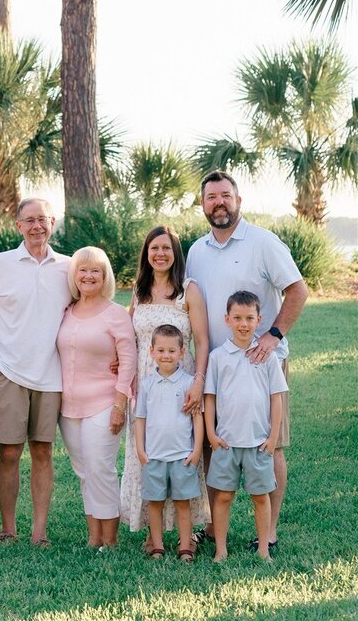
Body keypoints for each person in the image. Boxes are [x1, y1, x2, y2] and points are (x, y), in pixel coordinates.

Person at [186, 170, 308, 551]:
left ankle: (268, 532)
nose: (219, 203)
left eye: (225, 195)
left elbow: (298, 290)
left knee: (270, 446)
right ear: (203, 204)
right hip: (216, 366)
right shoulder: (196, 251)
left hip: (261, 362)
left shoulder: (263, 242)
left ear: (238, 200)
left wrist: (273, 336)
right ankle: (212, 527)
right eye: (211, 197)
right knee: (213, 445)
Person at [0, 197, 71, 546]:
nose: (36, 226)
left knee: (43, 451)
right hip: (8, 372)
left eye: (42, 219)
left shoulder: (68, 267)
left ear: (52, 222)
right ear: (18, 226)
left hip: (51, 374)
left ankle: (39, 531)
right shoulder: (1, 264)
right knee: (10, 452)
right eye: (29, 220)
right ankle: (8, 528)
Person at [120, 225, 210, 543]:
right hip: (145, 383)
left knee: (180, 450)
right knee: (148, 452)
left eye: (166, 248)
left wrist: (198, 382)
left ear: (175, 253)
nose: (160, 253)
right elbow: (128, 335)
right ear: (146, 253)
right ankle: (153, 529)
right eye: (154, 248)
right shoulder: (139, 290)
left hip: (181, 382)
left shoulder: (189, 290)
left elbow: (202, 340)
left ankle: (186, 532)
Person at [56, 246, 137, 549]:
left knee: (100, 468)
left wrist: (119, 405)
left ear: (105, 277)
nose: (88, 276)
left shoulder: (116, 314)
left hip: (105, 403)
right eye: (83, 270)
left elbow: (128, 361)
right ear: (74, 275)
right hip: (68, 407)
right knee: (83, 471)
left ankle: (110, 541)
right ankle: (94, 538)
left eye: (95, 271)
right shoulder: (66, 312)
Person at [204, 291, 288, 562]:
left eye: (249, 318)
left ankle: (263, 549)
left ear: (259, 320)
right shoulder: (218, 357)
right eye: (237, 318)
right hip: (226, 442)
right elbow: (209, 398)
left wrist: (273, 436)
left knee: (261, 497)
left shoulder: (267, 356)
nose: (243, 324)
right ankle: (221, 549)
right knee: (223, 497)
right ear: (227, 319)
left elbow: (276, 399)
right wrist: (211, 433)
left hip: (258, 442)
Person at [134, 323, 204, 563]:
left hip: (182, 455)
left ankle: (185, 546)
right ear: (152, 351)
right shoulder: (147, 385)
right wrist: (141, 449)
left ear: (182, 353)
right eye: (161, 350)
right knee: (155, 504)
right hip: (154, 456)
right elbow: (140, 419)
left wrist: (196, 449)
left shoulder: (188, 383)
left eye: (172, 351)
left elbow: (197, 418)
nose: (166, 355)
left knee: (183, 503)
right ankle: (157, 546)